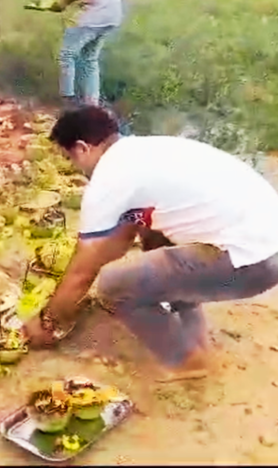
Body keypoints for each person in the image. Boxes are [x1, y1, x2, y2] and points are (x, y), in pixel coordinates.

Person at [23, 106, 278, 382]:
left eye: (69, 157)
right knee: (155, 249)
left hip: (250, 262)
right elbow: (123, 239)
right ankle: (193, 338)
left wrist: (49, 321)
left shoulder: (111, 177)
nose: (75, 167)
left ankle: (187, 361)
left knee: (114, 285)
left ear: (83, 148)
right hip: (265, 248)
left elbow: (84, 270)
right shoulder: (143, 152)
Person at [50, 0, 122, 110]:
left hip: (94, 12)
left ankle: (68, 105)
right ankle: (92, 107)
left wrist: (65, 1)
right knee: (89, 58)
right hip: (110, 12)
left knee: (66, 55)